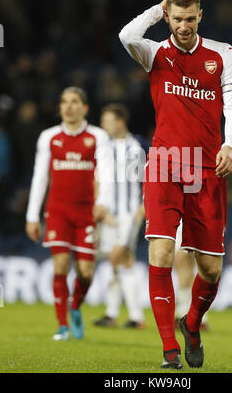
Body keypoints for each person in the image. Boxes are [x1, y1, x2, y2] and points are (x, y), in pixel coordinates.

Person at [119, 0, 232, 369]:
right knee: (161, 252)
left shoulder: (222, 54)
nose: (185, 26)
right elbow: (126, 35)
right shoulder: (154, 53)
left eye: (190, 19)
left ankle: (191, 324)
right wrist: (157, 9)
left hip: (207, 168)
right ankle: (169, 351)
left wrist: (230, 145)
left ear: (200, 16)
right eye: (177, 18)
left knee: (210, 269)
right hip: (165, 163)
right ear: (169, 16)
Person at [26, 87, 111, 341]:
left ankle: (75, 306)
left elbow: (105, 174)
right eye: (64, 102)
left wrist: (103, 202)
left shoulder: (98, 136)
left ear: (84, 108)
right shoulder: (48, 137)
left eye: (74, 102)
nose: (68, 106)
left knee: (86, 272)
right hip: (58, 211)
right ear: (60, 107)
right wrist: (32, 216)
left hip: (86, 213)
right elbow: (40, 177)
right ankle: (62, 325)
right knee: (61, 267)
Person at [93, 103, 145, 329]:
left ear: (121, 121)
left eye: (108, 120)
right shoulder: (104, 148)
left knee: (120, 258)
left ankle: (134, 316)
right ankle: (114, 313)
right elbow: (97, 181)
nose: (104, 124)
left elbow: (151, 182)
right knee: (118, 263)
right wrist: (101, 209)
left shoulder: (138, 147)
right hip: (109, 216)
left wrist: (142, 211)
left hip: (129, 214)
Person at [174, 222, 209, 331]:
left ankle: (192, 315)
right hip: (182, 216)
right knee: (185, 264)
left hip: (199, 215)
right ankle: (188, 314)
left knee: (199, 264)